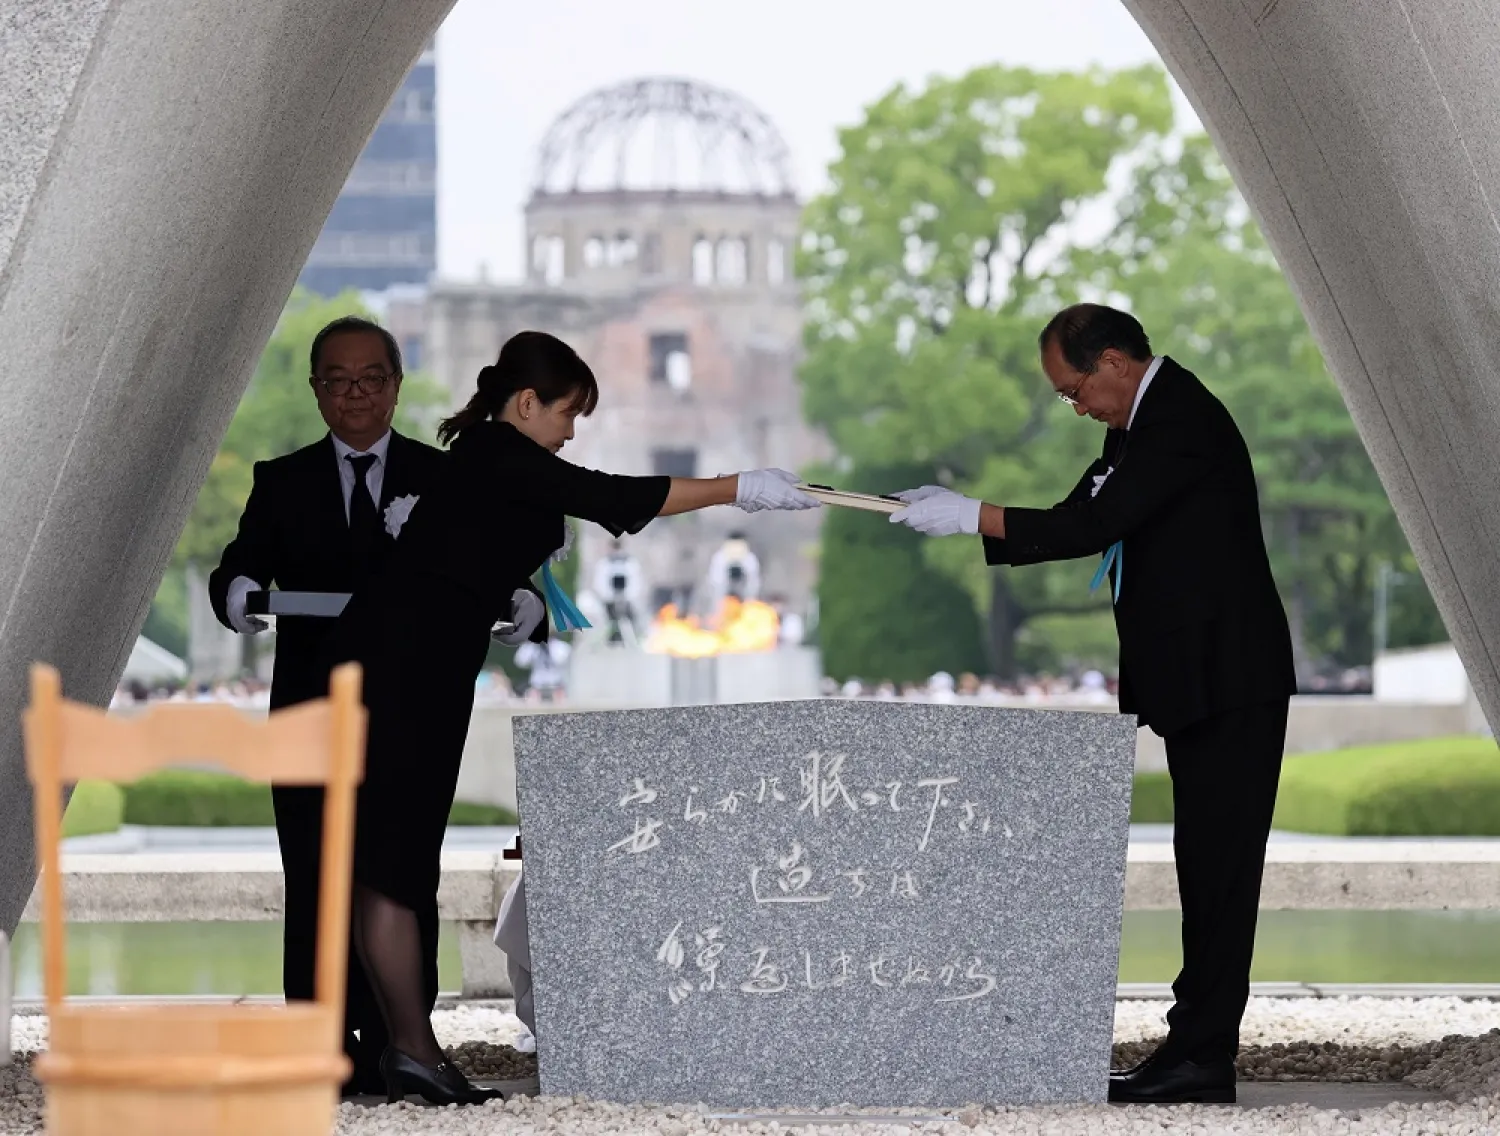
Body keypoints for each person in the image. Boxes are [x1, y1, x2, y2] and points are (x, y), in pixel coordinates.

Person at [322, 329, 821, 1105]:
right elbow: (614, 499)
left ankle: (406, 1047)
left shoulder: (493, 454)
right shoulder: (501, 452)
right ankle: (410, 1051)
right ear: (526, 403)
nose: (570, 431)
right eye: (567, 413)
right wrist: (735, 487)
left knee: (397, 857)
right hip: (403, 672)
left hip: (418, 666)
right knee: (392, 861)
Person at [889, 303, 1296, 1105]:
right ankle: (1193, 1046)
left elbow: (1097, 524)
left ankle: (1203, 1057)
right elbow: (1080, 513)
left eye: (1074, 390)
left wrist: (969, 515)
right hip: (1199, 681)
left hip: (1229, 678)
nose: (1076, 407)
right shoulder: (1135, 427)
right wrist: (971, 515)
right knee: (1201, 866)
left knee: (1219, 872)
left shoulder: (1178, 417)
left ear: (1113, 360)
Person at [208, 316, 464, 1096]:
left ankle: (401, 1041)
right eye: (336, 380)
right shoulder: (279, 480)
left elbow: (485, 565)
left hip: (411, 713)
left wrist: (522, 599)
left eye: (371, 379)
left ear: (395, 383)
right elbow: (237, 568)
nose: (354, 395)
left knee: (404, 876)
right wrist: (240, 596)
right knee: (316, 870)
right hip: (309, 713)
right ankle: (321, 1046)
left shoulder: (443, 477)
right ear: (317, 388)